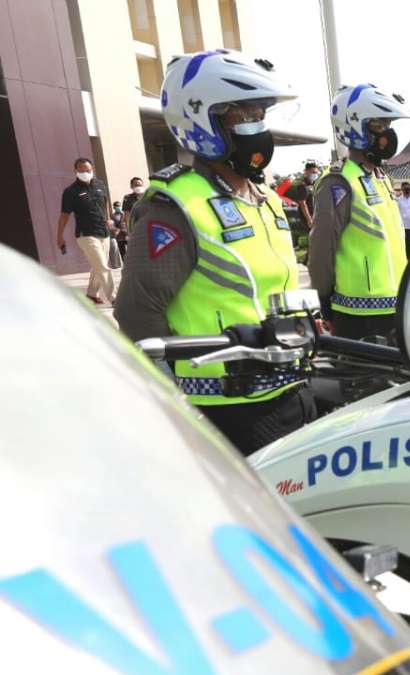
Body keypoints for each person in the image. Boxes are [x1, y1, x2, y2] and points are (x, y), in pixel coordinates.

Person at [114, 49, 313, 455]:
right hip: (224, 408)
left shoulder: (264, 198)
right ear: (201, 118)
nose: (258, 127)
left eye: (261, 115)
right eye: (245, 115)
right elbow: (137, 312)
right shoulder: (174, 206)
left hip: (289, 389)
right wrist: (174, 409)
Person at [308, 83, 410, 343]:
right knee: (367, 383)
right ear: (355, 128)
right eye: (379, 126)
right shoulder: (339, 181)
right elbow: (322, 247)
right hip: (358, 312)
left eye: (388, 125)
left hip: (395, 304)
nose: (387, 134)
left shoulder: (381, 178)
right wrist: (323, 298)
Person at [57, 156, 116, 305]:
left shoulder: (100, 185)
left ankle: (91, 294)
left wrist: (109, 219)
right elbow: (64, 215)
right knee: (103, 266)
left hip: (103, 232)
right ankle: (114, 298)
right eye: (81, 170)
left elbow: (105, 204)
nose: (85, 173)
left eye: (88, 170)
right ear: (75, 171)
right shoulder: (70, 191)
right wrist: (60, 236)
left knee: (98, 266)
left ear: (92, 169)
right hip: (86, 234)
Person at [285, 160, 321, 230]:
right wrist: (309, 220)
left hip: (315, 216)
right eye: (313, 172)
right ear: (306, 172)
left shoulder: (313, 184)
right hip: (308, 218)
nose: (315, 175)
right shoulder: (303, 185)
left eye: (316, 173)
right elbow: (303, 204)